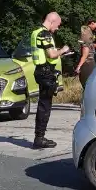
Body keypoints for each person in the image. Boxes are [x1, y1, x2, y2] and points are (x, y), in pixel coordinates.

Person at [29, 12, 72, 149]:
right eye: (58, 25)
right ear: (52, 21)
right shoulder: (45, 34)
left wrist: (59, 52)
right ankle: (39, 138)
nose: (58, 28)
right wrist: (63, 50)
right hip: (46, 73)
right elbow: (51, 54)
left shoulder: (36, 32)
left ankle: (39, 136)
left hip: (40, 71)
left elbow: (47, 53)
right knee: (45, 106)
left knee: (43, 104)